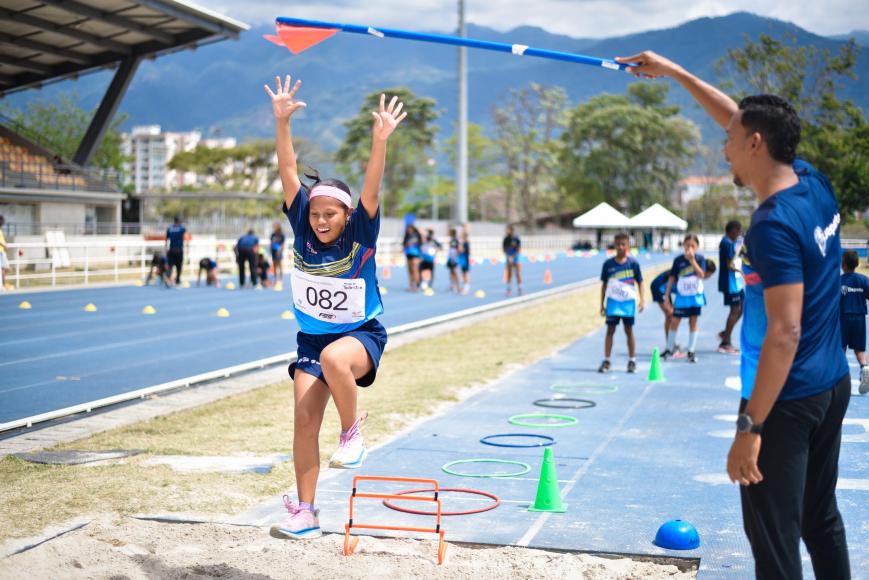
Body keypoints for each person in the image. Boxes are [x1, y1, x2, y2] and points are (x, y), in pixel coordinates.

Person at [619, 51, 851, 579]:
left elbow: (785, 332)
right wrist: (677, 73)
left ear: (755, 145)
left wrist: (751, 426)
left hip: (785, 400)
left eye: (730, 140)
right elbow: (737, 115)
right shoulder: (812, 182)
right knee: (820, 521)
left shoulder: (772, 225)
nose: (723, 148)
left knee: (773, 541)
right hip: (830, 383)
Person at [264, 75, 406, 540]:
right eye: (315, 213)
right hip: (311, 339)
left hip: (361, 337)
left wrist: (379, 140)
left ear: (346, 215)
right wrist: (282, 123)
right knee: (303, 421)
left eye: (330, 214)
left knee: (334, 358)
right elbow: (288, 171)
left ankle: (353, 434)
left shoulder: (360, 231)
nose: (321, 220)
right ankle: (306, 511)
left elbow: (372, 185)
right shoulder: (302, 227)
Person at [598, 233, 644, 373]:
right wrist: (602, 304)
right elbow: (604, 285)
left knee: (629, 331)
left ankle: (632, 360)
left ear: (628, 246)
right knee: (610, 331)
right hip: (613, 304)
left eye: (623, 244)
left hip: (628, 305)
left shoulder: (633, 264)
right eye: (618, 244)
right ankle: (607, 360)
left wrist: (642, 300)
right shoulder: (608, 264)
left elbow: (640, 282)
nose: (620, 247)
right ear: (615, 245)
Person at [662, 234, 707, 363]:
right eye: (687, 245)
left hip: (695, 297)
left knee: (693, 322)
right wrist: (666, 296)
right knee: (675, 321)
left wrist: (692, 261)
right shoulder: (678, 260)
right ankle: (669, 348)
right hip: (682, 297)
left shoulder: (700, 258)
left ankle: (691, 350)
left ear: (697, 247)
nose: (690, 248)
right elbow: (671, 278)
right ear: (683, 246)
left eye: (693, 246)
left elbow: (702, 274)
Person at [840, 250, 869, 394]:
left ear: (843, 264)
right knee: (859, 350)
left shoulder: (838, 282)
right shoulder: (863, 280)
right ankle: (864, 367)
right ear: (857, 264)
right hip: (859, 318)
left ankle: (842, 379)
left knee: (840, 349)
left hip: (843, 318)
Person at [718, 220, 745, 353]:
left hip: (736, 282)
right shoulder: (726, 243)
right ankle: (725, 342)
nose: (739, 234)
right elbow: (730, 264)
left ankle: (726, 333)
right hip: (730, 282)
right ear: (733, 230)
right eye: (738, 231)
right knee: (735, 310)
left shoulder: (731, 242)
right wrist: (741, 270)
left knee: (743, 307)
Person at [165, 215, 186, 286]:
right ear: (179, 221)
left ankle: (168, 279)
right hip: (179, 250)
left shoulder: (170, 228)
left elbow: (167, 239)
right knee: (179, 266)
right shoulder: (181, 228)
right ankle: (177, 280)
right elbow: (184, 237)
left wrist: (166, 248)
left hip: (171, 250)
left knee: (170, 265)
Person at [503, 225, 523, 296]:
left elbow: (519, 249)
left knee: (518, 273)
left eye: (507, 230)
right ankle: (509, 289)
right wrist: (509, 256)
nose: (505, 231)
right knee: (509, 274)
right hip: (509, 257)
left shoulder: (516, 238)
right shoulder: (505, 239)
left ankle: (520, 289)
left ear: (511, 230)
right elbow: (504, 249)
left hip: (516, 257)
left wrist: (513, 256)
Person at [402, 223, 422, 292]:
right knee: (410, 270)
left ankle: (417, 285)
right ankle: (411, 285)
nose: (408, 230)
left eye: (410, 229)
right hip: (408, 254)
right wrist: (405, 247)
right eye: (408, 229)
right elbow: (404, 244)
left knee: (415, 269)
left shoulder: (417, 235)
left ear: (413, 229)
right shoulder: (407, 236)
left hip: (416, 254)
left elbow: (421, 244)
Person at [446, 227, 461, 293]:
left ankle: (458, 286)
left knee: (455, 272)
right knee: (451, 272)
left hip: (454, 258)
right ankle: (452, 285)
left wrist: (455, 258)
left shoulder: (456, 239)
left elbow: (458, 249)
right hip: (450, 257)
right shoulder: (451, 239)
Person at [458, 225, 471, 295]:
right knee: (463, 273)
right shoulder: (466, 242)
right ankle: (465, 287)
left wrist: (460, 244)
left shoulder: (464, 242)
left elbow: (461, 250)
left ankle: (466, 287)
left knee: (465, 274)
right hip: (463, 259)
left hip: (464, 260)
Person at [0, 214, 9, 291]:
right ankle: (3, 284)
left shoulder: (0, 230)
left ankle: (3, 284)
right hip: (0, 251)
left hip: (2, 251)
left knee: (5, 268)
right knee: (3, 268)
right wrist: (4, 245)